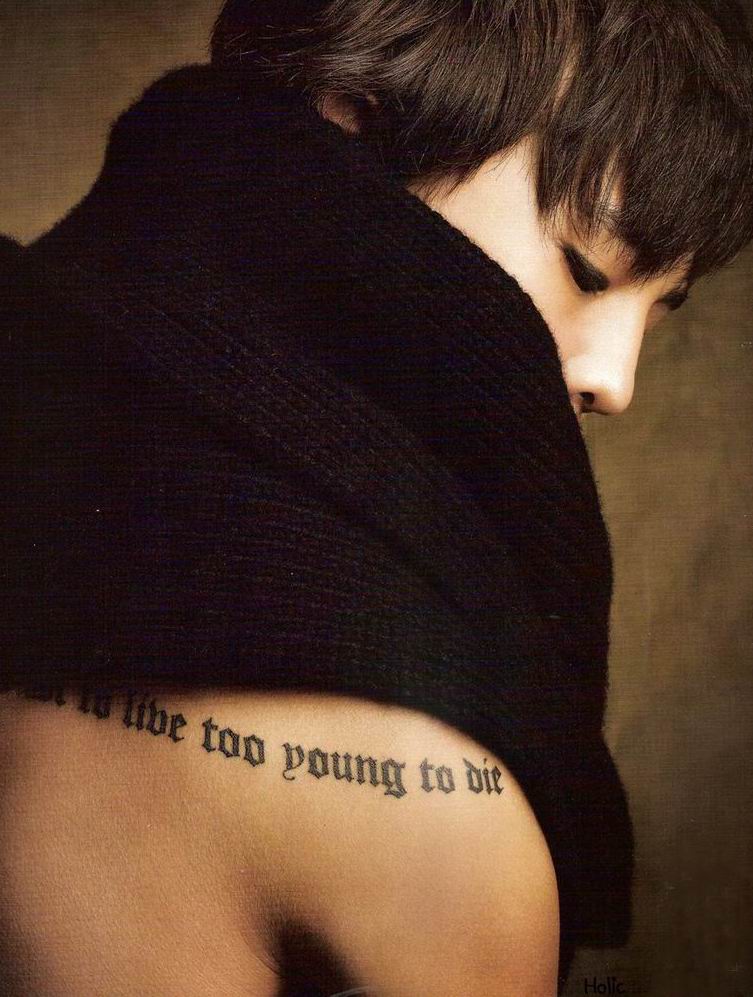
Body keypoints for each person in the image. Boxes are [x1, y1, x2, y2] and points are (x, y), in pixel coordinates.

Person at [1, 1, 752, 994]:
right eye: (584, 268)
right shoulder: (437, 814)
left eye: (658, 311)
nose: (614, 380)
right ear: (348, 119)